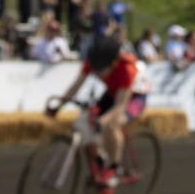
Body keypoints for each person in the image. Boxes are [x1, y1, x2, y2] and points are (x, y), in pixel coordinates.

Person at [47, 34, 149, 189]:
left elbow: (121, 105)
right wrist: (59, 105)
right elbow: (76, 85)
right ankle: (100, 159)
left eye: (101, 70)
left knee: (112, 123)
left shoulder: (127, 69)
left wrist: (106, 119)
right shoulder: (94, 61)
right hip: (113, 92)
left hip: (134, 96)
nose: (98, 73)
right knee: (84, 120)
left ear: (114, 62)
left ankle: (113, 167)